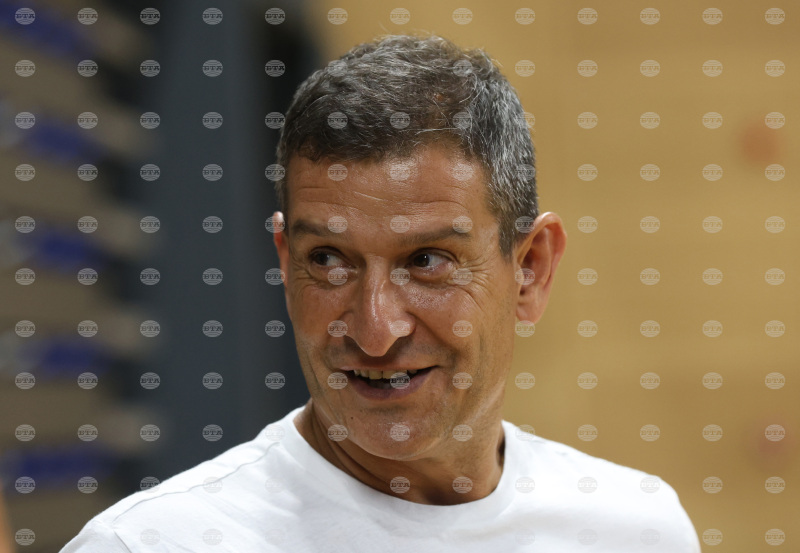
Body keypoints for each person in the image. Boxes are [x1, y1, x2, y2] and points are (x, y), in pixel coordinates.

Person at [62, 33, 701, 552]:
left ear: (530, 269)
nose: (374, 330)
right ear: (285, 262)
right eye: (328, 261)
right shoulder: (149, 545)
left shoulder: (635, 530)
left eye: (427, 261)